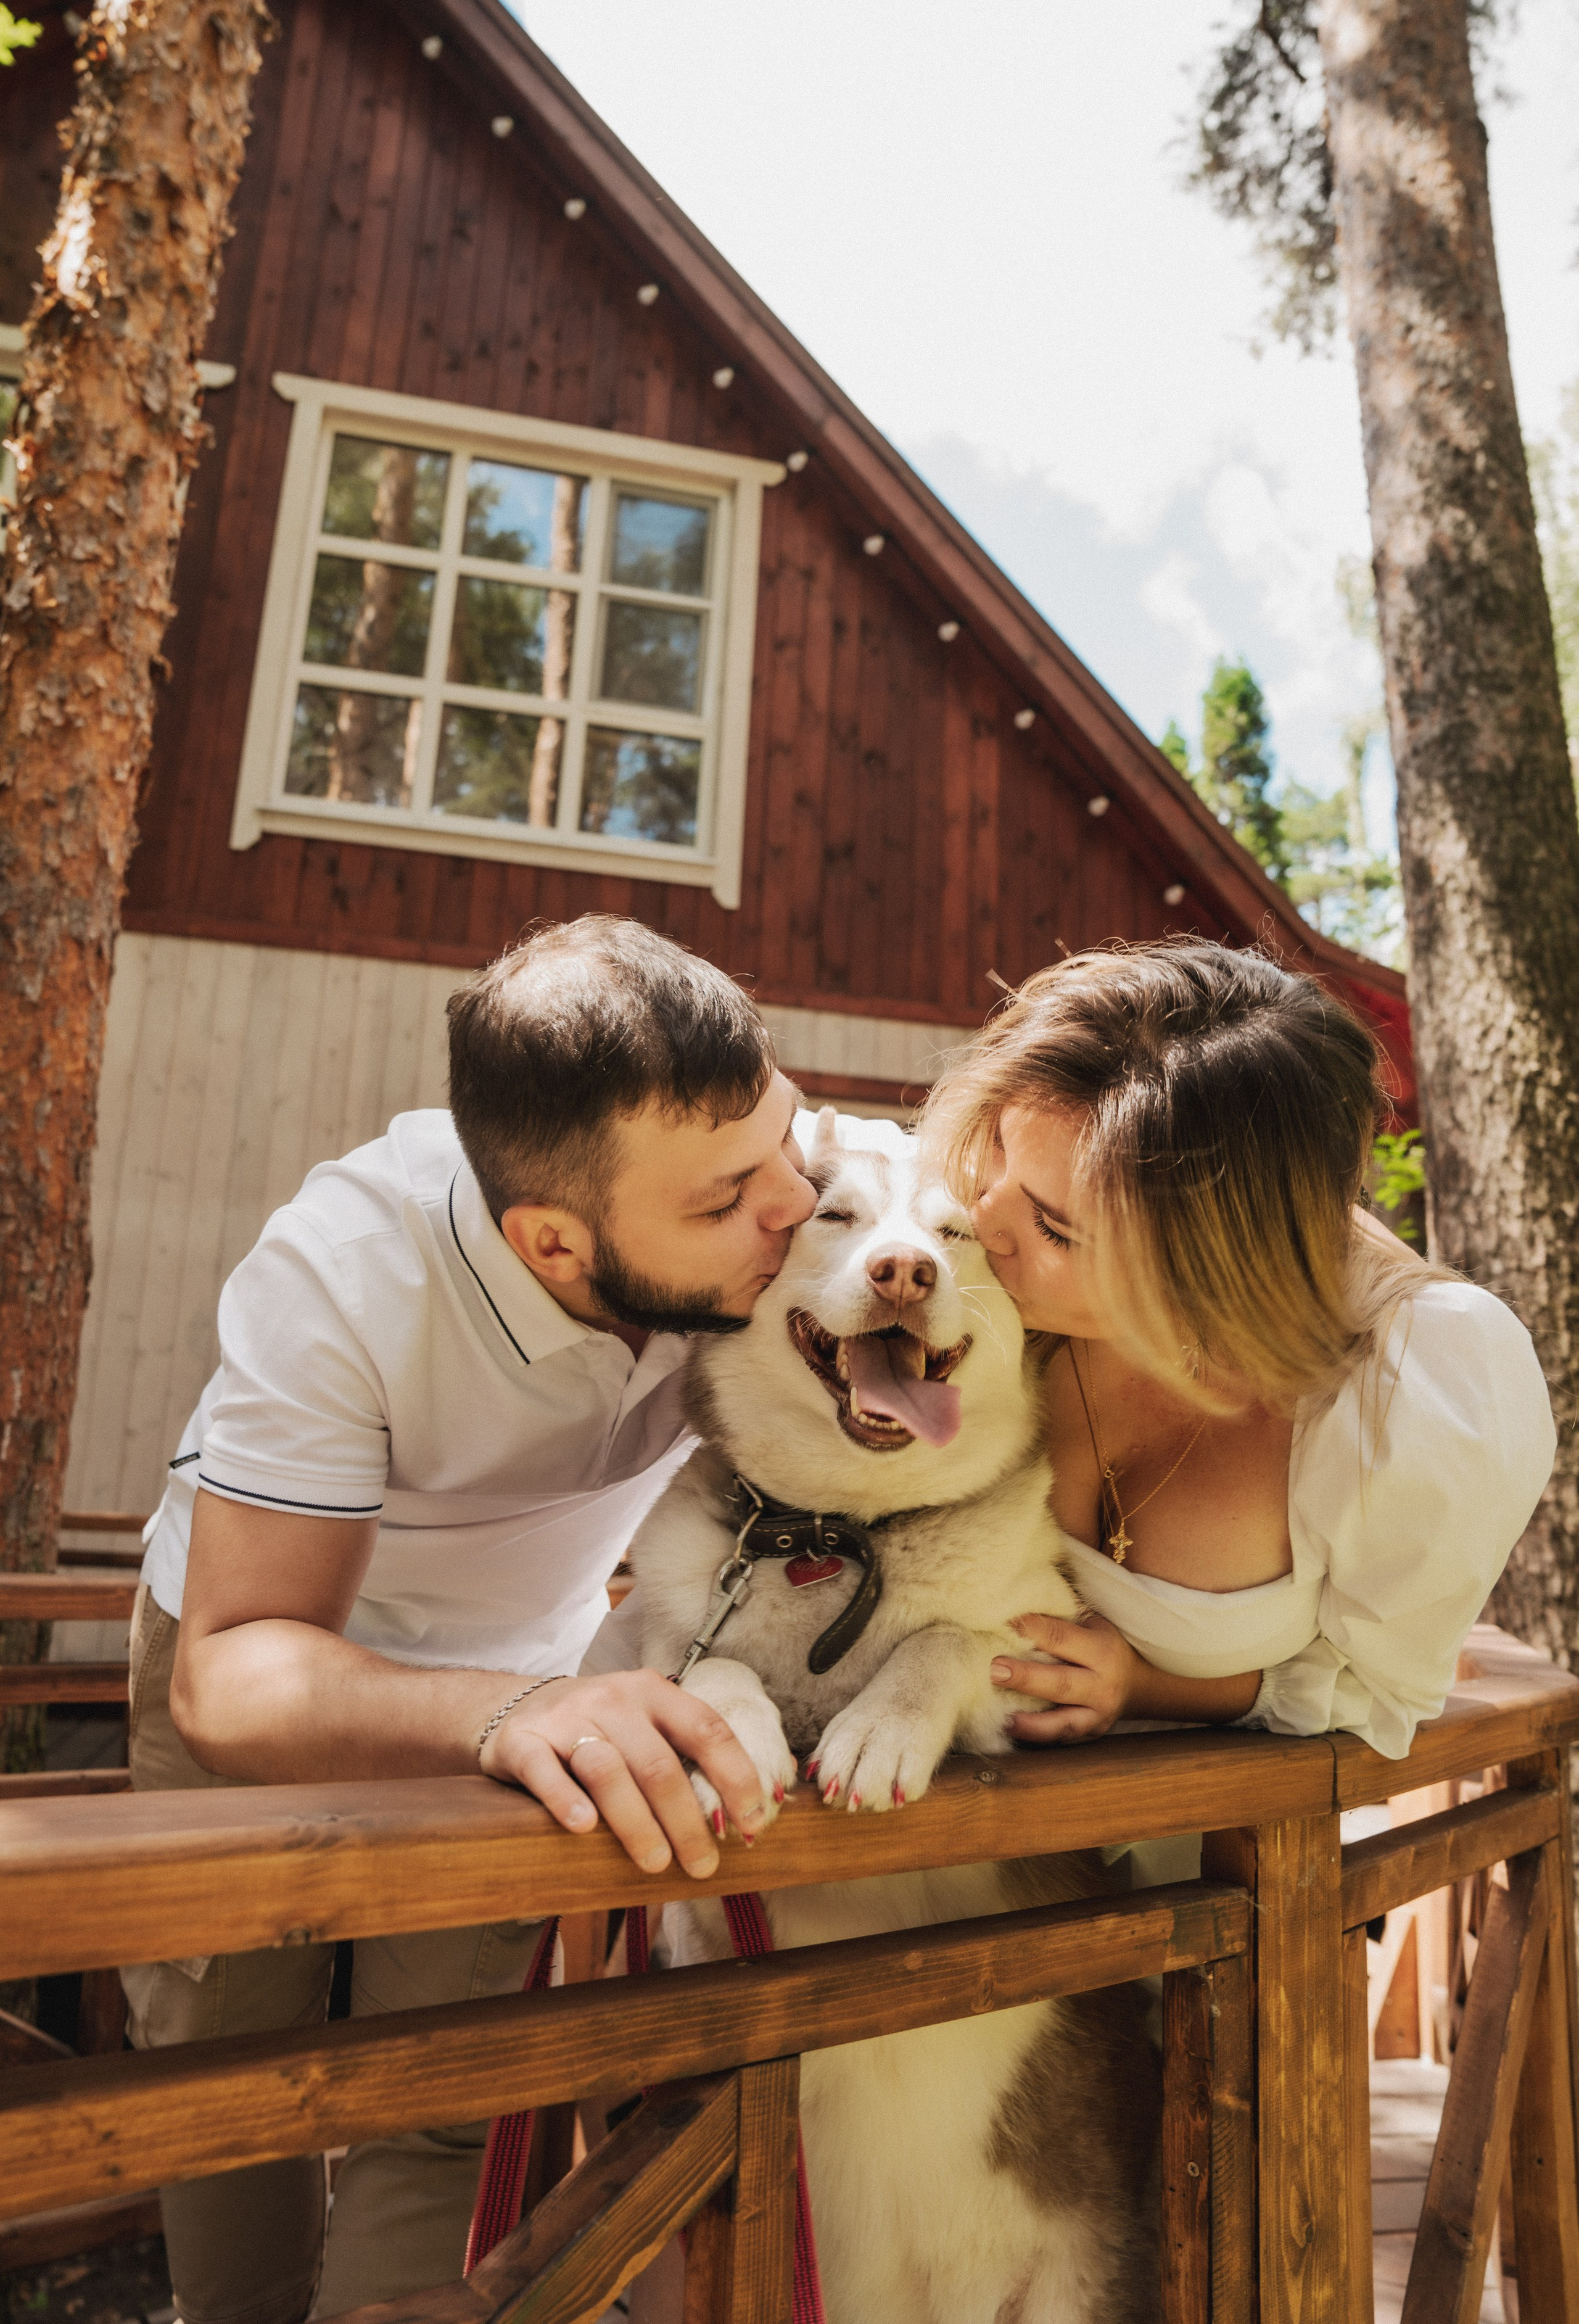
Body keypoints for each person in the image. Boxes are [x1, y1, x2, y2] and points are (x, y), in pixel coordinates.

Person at [125, 916, 837, 2324]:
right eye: (720, 1203)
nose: (791, 1211)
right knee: (227, 2091)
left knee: (451, 2096)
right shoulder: (342, 1271)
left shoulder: (778, 1190)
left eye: (785, 1144)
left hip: (533, 1684)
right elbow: (229, 1674)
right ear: (553, 1242)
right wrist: (514, 1708)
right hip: (263, 1659)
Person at [915, 941, 1556, 1761]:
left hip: (1198, 1867)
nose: (983, 1221)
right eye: (997, 1151)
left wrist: (1148, 1687)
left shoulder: (1414, 1387)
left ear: (1207, 1268)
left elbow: (1380, 1690)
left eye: (1056, 1228)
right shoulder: (940, 1242)